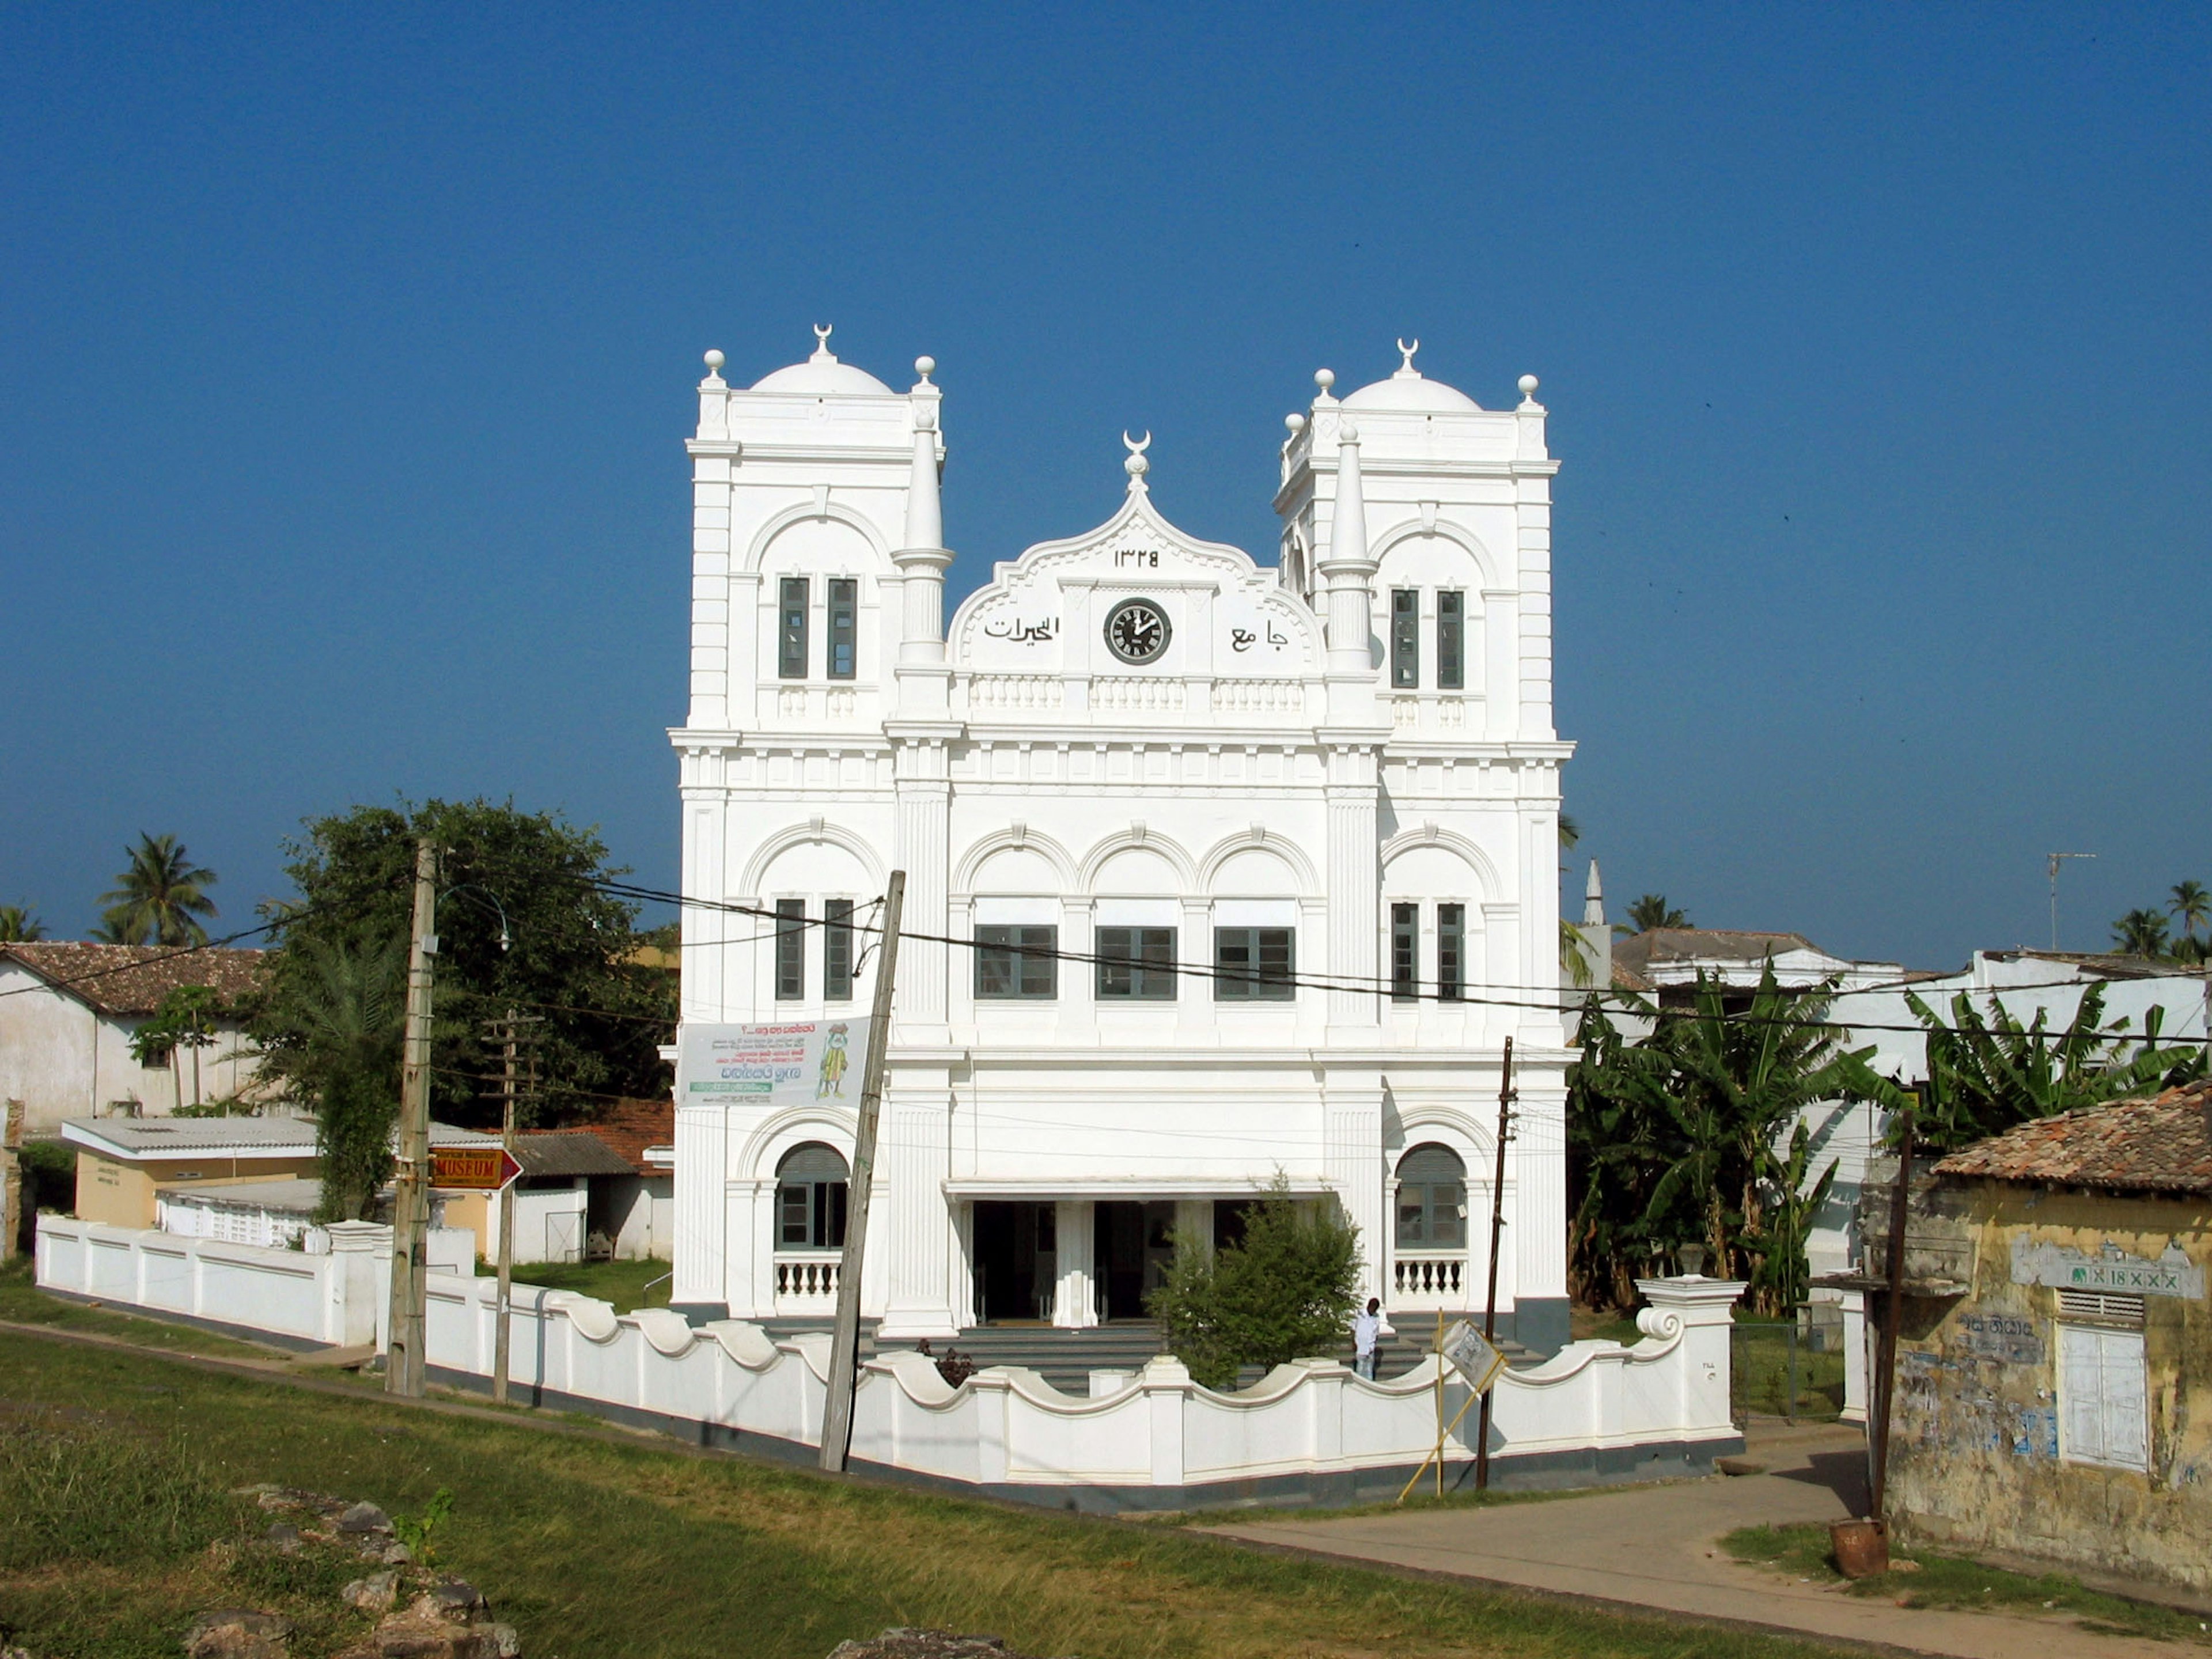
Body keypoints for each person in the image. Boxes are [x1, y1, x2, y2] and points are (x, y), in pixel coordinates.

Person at [1351, 1296, 1381, 1380]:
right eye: (1373, 1308)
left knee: (1369, 1370)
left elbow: (1376, 1332)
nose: (1374, 1310)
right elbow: (1353, 1328)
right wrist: (1353, 1342)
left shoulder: (1377, 1317)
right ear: (1369, 1306)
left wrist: (1374, 1344)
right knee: (1360, 1368)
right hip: (1360, 1344)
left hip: (1370, 1347)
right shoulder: (1360, 1314)